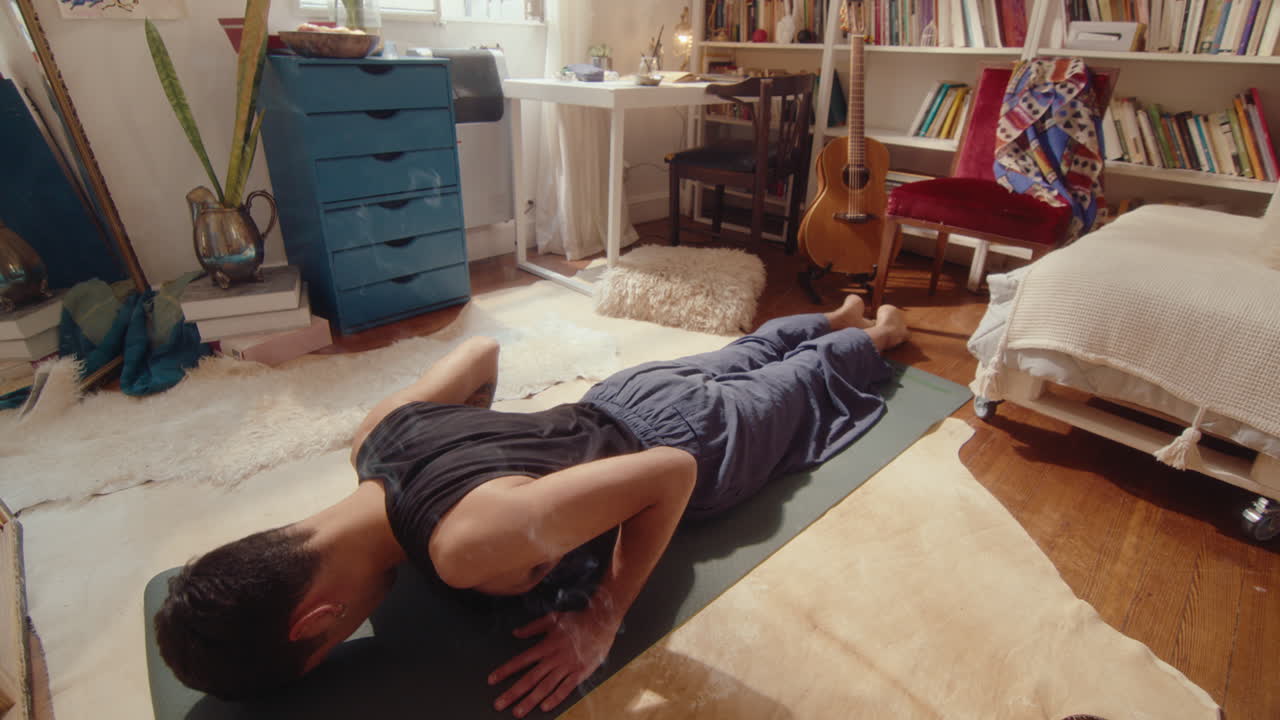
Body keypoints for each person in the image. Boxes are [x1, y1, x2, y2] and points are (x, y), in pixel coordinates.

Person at [154, 296, 910, 717]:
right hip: (622, 394)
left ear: (316, 623)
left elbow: (670, 474)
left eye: (326, 648)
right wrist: (497, 454)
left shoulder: (463, 546)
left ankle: (874, 329)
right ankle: (835, 310)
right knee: (740, 354)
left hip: (702, 444)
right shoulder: (370, 437)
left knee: (808, 382)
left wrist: (602, 615)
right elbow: (479, 358)